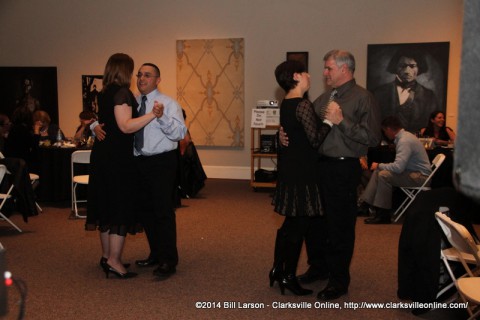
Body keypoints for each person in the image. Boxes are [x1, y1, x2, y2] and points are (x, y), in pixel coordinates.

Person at [281, 50, 382, 300]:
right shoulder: (324, 98)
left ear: (345, 69)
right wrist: (281, 137)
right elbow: (307, 129)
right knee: (315, 223)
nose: (324, 73)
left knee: (339, 226)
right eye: (325, 68)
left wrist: (341, 121)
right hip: (318, 167)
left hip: (343, 168)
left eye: (328, 68)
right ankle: (318, 268)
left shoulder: (363, 98)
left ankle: (338, 280)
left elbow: (373, 138)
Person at [85, 53, 162, 279]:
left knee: (106, 207)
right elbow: (126, 126)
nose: (136, 76)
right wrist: (152, 115)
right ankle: (114, 261)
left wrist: (94, 126)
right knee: (119, 208)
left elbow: (105, 120)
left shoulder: (106, 92)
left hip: (103, 156)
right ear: (124, 71)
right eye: (134, 71)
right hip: (117, 160)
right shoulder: (123, 93)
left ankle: (107, 257)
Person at [269, 60, 331, 296]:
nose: (309, 75)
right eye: (305, 72)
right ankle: (287, 276)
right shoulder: (302, 104)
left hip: (291, 171)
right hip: (303, 174)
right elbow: (315, 140)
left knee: (289, 226)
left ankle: (277, 269)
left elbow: (294, 136)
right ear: (296, 76)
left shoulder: (286, 103)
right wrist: (329, 122)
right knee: (298, 227)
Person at [131, 63, 187, 280]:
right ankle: (155, 253)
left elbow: (179, 133)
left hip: (161, 163)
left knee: (163, 211)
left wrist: (161, 116)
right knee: (145, 211)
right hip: (139, 162)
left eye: (147, 75)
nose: (141, 78)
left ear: (157, 79)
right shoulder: (133, 103)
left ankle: (168, 260)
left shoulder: (168, 103)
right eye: (139, 75)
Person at [360, 116, 432, 224]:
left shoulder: (404, 141)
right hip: (416, 173)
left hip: (421, 177)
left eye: (384, 131)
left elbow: (398, 168)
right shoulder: (406, 137)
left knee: (383, 175)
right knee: (379, 171)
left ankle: (383, 214)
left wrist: (379, 164)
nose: (385, 134)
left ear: (389, 129)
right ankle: (365, 205)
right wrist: (379, 167)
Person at [373, 48, 439, 134]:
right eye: (403, 66)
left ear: (419, 68)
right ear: (395, 67)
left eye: (412, 66)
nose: (407, 71)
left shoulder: (429, 96)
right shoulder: (379, 93)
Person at [4, 107, 41, 173]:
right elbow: (34, 145)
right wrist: (36, 130)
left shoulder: (13, 129)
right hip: (22, 164)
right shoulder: (23, 130)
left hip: (12, 162)